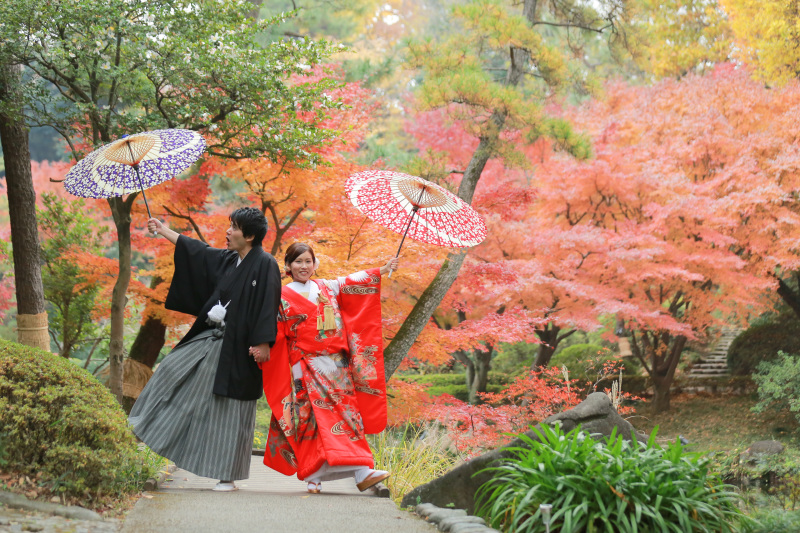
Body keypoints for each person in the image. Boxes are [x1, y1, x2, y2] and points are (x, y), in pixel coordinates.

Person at [129, 207, 281, 492]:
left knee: (230, 409)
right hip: (212, 337)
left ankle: (227, 475)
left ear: (249, 236)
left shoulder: (265, 263)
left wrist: (263, 342)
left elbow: (268, 304)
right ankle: (145, 427)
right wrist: (162, 230)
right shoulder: (228, 259)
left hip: (240, 349)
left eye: (234, 227)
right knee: (171, 370)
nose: (228, 231)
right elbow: (196, 251)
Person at [259, 242, 398, 494]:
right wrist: (262, 347)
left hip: (336, 364)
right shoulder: (279, 294)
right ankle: (313, 475)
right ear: (288, 266)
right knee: (310, 418)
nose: (304, 266)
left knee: (347, 413)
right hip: (303, 364)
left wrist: (381, 269)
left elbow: (356, 282)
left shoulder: (328, 287)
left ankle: (362, 470)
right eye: (298, 261)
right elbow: (274, 331)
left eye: (308, 261)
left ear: (315, 264)